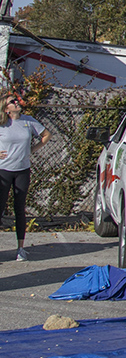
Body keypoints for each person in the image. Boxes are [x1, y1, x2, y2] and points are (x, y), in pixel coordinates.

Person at [0, 92, 50, 261]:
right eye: (12, 102)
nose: (17, 102)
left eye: (16, 100)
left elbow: (46, 136)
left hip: (22, 170)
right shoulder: (2, 123)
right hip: (3, 171)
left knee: (19, 209)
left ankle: (21, 249)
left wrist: (31, 150)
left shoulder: (28, 121)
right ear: (7, 108)